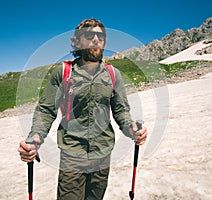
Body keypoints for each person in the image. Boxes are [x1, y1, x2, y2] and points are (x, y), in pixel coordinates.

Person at [18, 18, 148, 200]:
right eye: (89, 35)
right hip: (72, 155)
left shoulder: (113, 74)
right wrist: (35, 138)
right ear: (78, 41)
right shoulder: (63, 72)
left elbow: (120, 111)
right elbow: (46, 110)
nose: (96, 39)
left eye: (100, 36)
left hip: (103, 154)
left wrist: (131, 128)